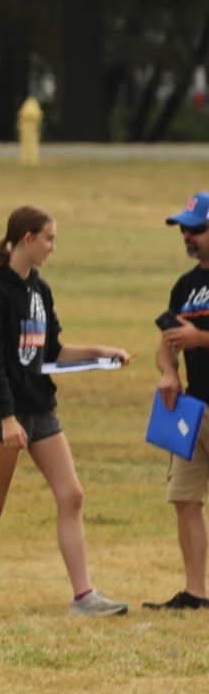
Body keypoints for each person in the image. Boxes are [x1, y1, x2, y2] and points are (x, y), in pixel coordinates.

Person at [0, 206, 131, 618]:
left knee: (71, 494)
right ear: (27, 239)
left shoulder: (39, 290)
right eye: (49, 239)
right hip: (6, 412)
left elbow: (52, 351)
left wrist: (99, 353)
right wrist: (5, 418)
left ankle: (83, 596)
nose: (53, 248)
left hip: (41, 407)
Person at [154, 192, 209, 611]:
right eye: (184, 230)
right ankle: (195, 593)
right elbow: (166, 344)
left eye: (197, 229)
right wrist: (169, 372)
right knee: (185, 499)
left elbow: (190, 337)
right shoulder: (185, 286)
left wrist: (200, 338)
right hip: (193, 408)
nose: (188, 237)